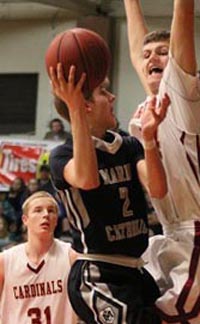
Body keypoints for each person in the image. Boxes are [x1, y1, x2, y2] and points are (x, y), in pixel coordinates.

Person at [48, 30, 170, 322]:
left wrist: (150, 139)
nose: (113, 96)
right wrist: (75, 107)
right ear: (86, 104)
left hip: (136, 270)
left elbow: (158, 188)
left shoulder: (126, 144)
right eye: (104, 91)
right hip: (97, 274)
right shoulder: (62, 156)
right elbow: (88, 179)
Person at [124, 0, 200, 322]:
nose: (152, 57)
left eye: (163, 51)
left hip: (196, 230)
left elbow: (182, 13)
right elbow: (136, 51)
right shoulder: (149, 108)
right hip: (171, 232)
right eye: (148, 55)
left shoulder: (184, 95)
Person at [0, 191, 78, 324]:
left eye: (51, 211)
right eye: (38, 210)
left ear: (56, 220)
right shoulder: (6, 260)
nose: (46, 215)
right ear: (25, 220)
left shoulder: (71, 255)